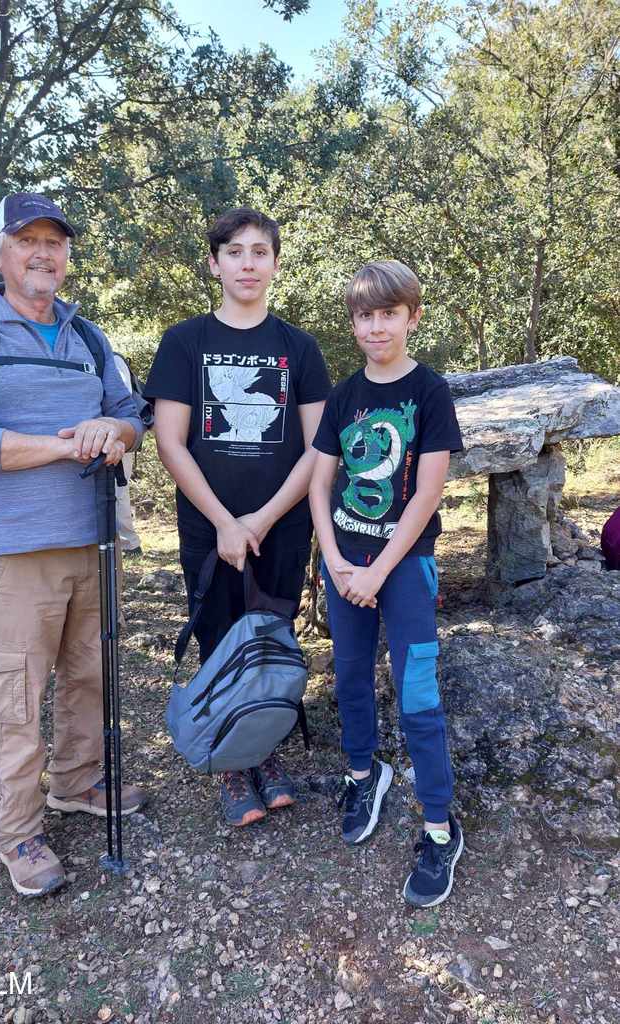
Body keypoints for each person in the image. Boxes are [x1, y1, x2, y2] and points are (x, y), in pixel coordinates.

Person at [0, 192, 150, 897]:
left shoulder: (89, 337)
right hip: (13, 552)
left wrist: (115, 432)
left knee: (89, 675)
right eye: (28, 241)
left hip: (93, 540)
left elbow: (130, 415)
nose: (44, 254)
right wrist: (62, 446)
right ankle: (18, 829)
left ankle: (78, 784)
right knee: (15, 696)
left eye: (55, 242)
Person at [144, 207, 331, 826]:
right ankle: (228, 758)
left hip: (284, 523)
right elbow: (171, 442)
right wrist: (226, 522)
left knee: (273, 636)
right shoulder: (185, 342)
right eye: (234, 252)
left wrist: (263, 518)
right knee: (218, 634)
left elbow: (319, 446)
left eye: (259, 252)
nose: (247, 264)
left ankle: (265, 749)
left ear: (274, 263)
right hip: (208, 525)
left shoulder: (299, 348)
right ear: (215, 263)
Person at [309, 260, 464, 907]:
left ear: (412, 317)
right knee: (349, 677)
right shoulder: (344, 395)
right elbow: (320, 483)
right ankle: (362, 773)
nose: (376, 327)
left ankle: (439, 826)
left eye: (389, 314)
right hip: (345, 566)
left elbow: (426, 495)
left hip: (404, 569)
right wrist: (336, 561)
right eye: (365, 315)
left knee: (416, 692)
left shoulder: (429, 392)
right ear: (353, 322)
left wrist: (377, 570)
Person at [113, 352, 144, 556]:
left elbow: (123, 400)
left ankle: (130, 544)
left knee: (119, 491)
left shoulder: (114, 360)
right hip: (106, 438)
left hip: (120, 438)